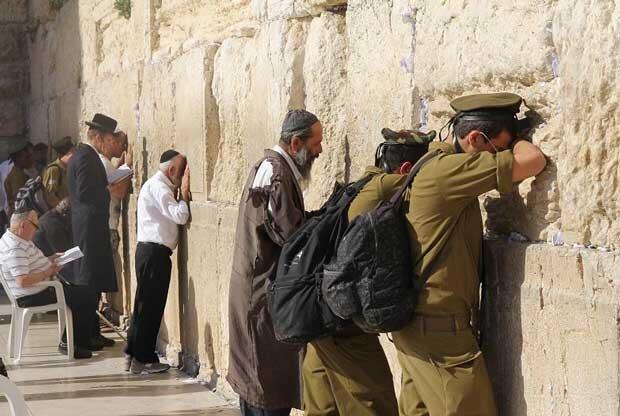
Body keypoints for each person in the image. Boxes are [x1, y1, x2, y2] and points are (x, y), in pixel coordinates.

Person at [392, 93, 547, 415]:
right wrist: (518, 140)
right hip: (438, 332)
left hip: (420, 326)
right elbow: (533, 160)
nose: (499, 155)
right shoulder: (448, 171)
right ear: (475, 138)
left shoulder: (429, 163)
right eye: (497, 149)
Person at [302, 129, 435, 416]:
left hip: (316, 310)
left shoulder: (359, 184)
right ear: (405, 169)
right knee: (374, 400)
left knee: (323, 404)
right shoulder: (388, 185)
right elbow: (429, 180)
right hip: (340, 320)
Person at [228, 109, 323, 416]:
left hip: (255, 292)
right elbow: (293, 238)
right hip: (261, 297)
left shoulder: (271, 167)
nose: (320, 151)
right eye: (316, 144)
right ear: (296, 143)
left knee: (258, 384)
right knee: (265, 389)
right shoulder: (279, 175)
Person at [125, 149, 190, 374]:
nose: (182, 176)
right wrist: (184, 194)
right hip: (154, 254)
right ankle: (144, 358)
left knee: (144, 305)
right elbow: (180, 215)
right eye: (181, 172)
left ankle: (133, 355)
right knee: (150, 307)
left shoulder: (155, 185)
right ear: (172, 170)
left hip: (150, 253)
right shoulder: (160, 187)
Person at [0, 206, 94, 359]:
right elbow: (23, 280)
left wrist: (51, 259)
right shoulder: (15, 248)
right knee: (86, 296)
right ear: (23, 225)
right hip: (33, 294)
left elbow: (30, 265)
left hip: (39, 288)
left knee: (83, 292)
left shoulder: (16, 238)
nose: (36, 230)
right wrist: (48, 272)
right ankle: (71, 344)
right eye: (35, 226)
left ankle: (80, 340)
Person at [67, 113, 119, 351]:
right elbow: (86, 191)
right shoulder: (86, 158)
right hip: (89, 228)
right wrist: (107, 190)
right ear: (97, 137)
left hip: (90, 226)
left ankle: (92, 332)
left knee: (94, 280)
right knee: (88, 281)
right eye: (108, 140)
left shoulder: (85, 155)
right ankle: (81, 337)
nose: (110, 145)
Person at [98, 130, 132, 319]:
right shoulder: (103, 163)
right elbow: (119, 191)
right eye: (121, 143)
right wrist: (129, 166)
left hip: (106, 226)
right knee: (111, 271)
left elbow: (113, 176)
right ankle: (110, 311)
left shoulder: (103, 164)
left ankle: (108, 309)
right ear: (110, 141)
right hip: (109, 226)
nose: (123, 148)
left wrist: (121, 167)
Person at [42, 136, 76, 209]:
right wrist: (63, 210)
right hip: (60, 213)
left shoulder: (68, 169)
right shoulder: (53, 170)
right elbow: (50, 197)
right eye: (73, 153)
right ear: (66, 154)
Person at [4, 142, 34, 217]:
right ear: (18, 159)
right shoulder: (17, 176)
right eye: (27, 157)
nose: (30, 159)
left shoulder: (20, 172)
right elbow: (20, 201)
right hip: (20, 216)